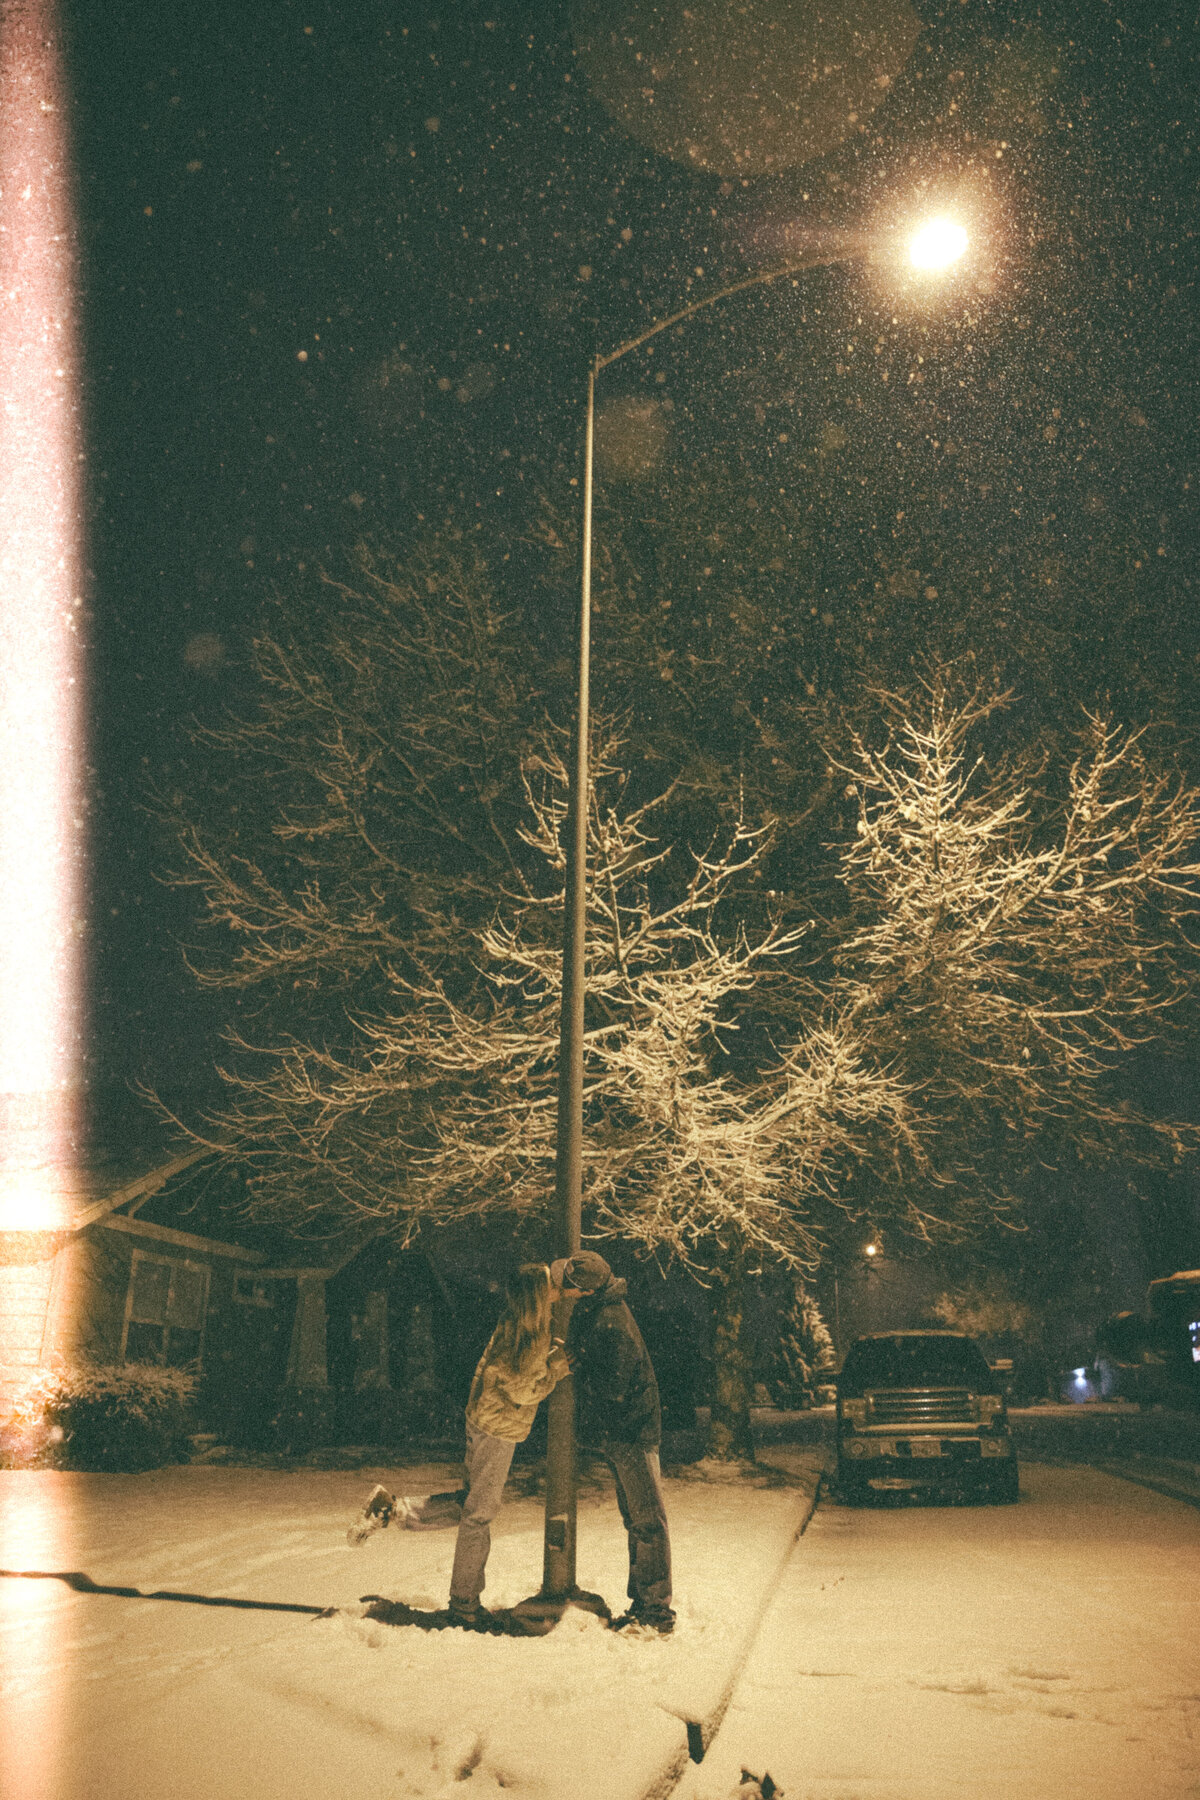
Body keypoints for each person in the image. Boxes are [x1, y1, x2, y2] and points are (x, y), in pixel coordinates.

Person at [347, 1262, 569, 1629]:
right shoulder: (533, 1332)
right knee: (479, 1514)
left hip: (483, 1420)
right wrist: (556, 1369)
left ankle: (393, 1510)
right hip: (498, 1427)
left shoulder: (514, 1322)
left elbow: (507, 1373)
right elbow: (522, 1388)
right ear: (538, 1295)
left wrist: (546, 1363)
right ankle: (464, 1603)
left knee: (473, 1505)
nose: (558, 1293)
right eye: (552, 1288)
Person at [553, 1250, 675, 1635]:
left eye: (568, 1287)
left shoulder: (610, 1322)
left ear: (584, 1289)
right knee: (638, 1520)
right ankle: (644, 1602)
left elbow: (613, 1387)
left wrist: (578, 1364)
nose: (565, 1293)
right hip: (626, 1431)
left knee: (647, 1521)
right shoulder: (601, 1311)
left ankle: (656, 1612)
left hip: (632, 1432)